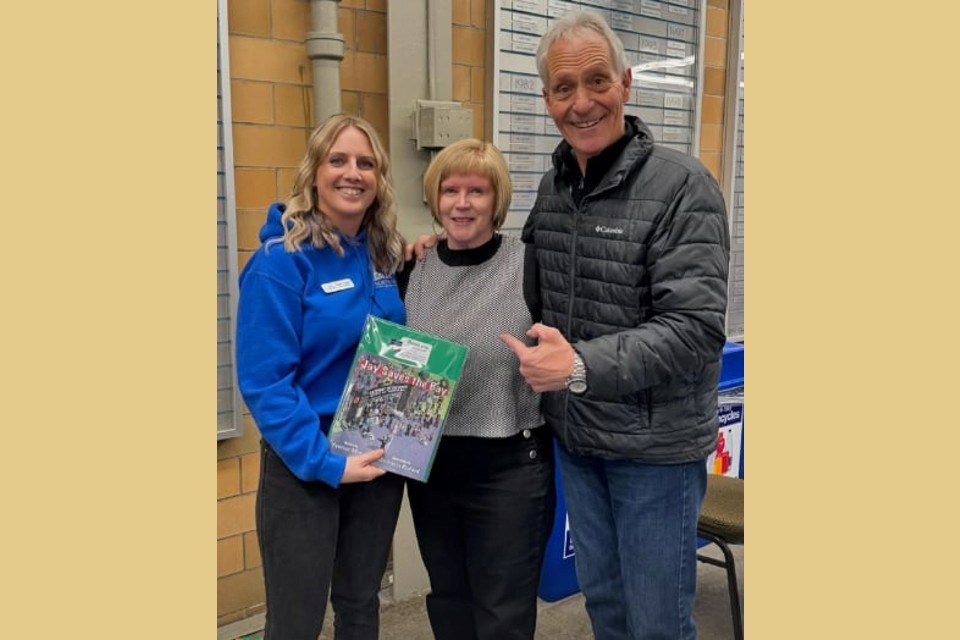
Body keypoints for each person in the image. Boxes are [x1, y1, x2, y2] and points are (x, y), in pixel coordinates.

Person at [497, 11, 731, 640]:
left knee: (657, 623)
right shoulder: (553, 189)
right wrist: (441, 253)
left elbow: (694, 329)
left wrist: (577, 367)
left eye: (597, 80)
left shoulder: (684, 187)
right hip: (580, 442)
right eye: (563, 88)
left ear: (626, 83)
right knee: (607, 610)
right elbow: (524, 291)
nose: (583, 102)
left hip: (654, 454)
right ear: (547, 100)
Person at [235, 114, 407, 640]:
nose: (352, 173)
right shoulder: (279, 264)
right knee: (296, 621)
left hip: (375, 456)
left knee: (360, 605)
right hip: (304, 465)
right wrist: (325, 461)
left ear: (378, 178)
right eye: (338, 160)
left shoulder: (383, 254)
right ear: (314, 173)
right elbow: (267, 384)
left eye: (365, 162)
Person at [399, 138, 555, 640]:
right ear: (434, 197)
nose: (461, 203)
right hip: (432, 466)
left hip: (509, 468)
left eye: (476, 191)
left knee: (501, 612)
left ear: (496, 201)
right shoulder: (412, 268)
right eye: (450, 190)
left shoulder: (529, 264)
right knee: (448, 601)